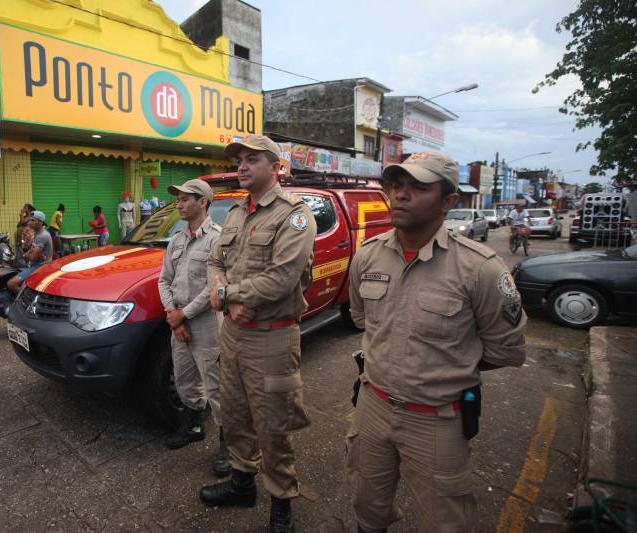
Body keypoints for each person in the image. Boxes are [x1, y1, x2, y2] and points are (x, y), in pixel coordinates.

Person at [347, 151, 527, 533]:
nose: (401, 195)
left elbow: (503, 350)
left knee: (445, 522)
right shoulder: (367, 257)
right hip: (373, 407)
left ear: (448, 202)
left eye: (417, 187)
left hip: (436, 419)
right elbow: (364, 321)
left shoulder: (481, 268)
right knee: (367, 506)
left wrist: (442, 370)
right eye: (395, 185)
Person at [202, 135, 316, 532]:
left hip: (272, 336)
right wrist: (225, 296)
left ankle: (282, 500)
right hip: (234, 332)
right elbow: (215, 260)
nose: (242, 166)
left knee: (273, 424)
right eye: (239, 160)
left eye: (253, 159)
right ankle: (241, 482)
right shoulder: (235, 212)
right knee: (234, 413)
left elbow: (283, 278)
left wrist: (228, 293)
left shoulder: (294, 215)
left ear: (276, 167)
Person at [157, 178, 229, 475]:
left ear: (203, 202)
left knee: (217, 386)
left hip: (207, 324)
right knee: (185, 378)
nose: (179, 203)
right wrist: (174, 315)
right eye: (178, 198)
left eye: (186, 198)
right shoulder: (176, 239)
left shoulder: (218, 239)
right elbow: (164, 280)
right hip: (180, 321)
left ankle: (229, 443)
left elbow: (215, 286)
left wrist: (182, 315)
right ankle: (194, 424)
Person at [7, 210, 53, 294]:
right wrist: (27, 250)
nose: (29, 223)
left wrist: (26, 254)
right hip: (34, 265)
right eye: (30, 220)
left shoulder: (43, 236)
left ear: (40, 222)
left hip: (40, 267)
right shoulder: (36, 233)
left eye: (33, 220)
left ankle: (30, 299)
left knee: (11, 284)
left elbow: (33, 257)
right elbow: (29, 256)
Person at [16, 203, 35, 267]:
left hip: (27, 240)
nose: (23, 209)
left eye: (25, 207)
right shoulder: (25, 217)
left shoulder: (31, 217)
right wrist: (22, 216)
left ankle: (24, 269)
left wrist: (21, 215)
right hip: (21, 239)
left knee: (24, 255)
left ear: (29, 209)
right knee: (20, 254)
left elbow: (22, 222)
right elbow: (18, 225)